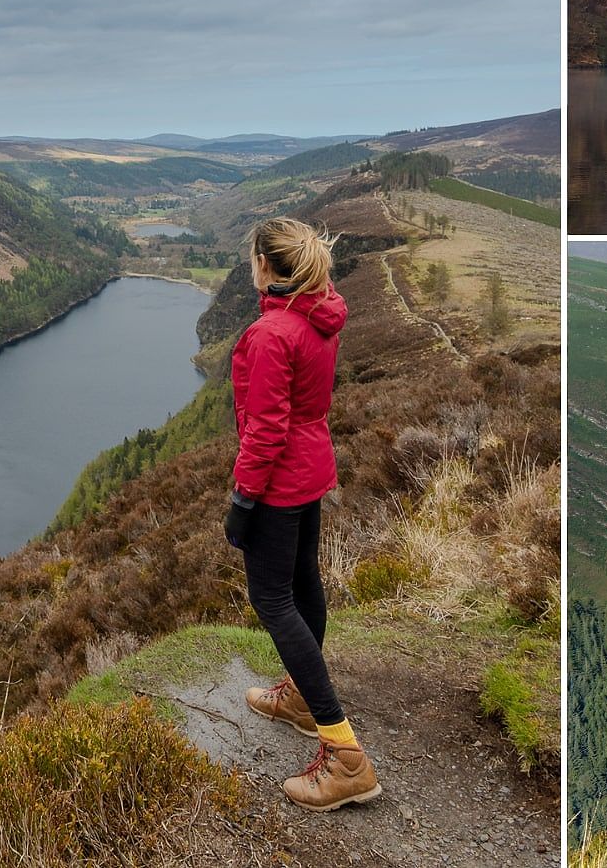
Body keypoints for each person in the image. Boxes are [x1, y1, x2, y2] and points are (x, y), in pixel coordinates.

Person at [222, 217, 382, 811]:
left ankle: (346, 757)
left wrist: (243, 500)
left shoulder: (271, 333)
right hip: (311, 469)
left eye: (252, 258)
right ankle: (297, 700)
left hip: (278, 482)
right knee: (303, 584)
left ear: (266, 266)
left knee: (271, 598)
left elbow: (264, 430)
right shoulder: (321, 316)